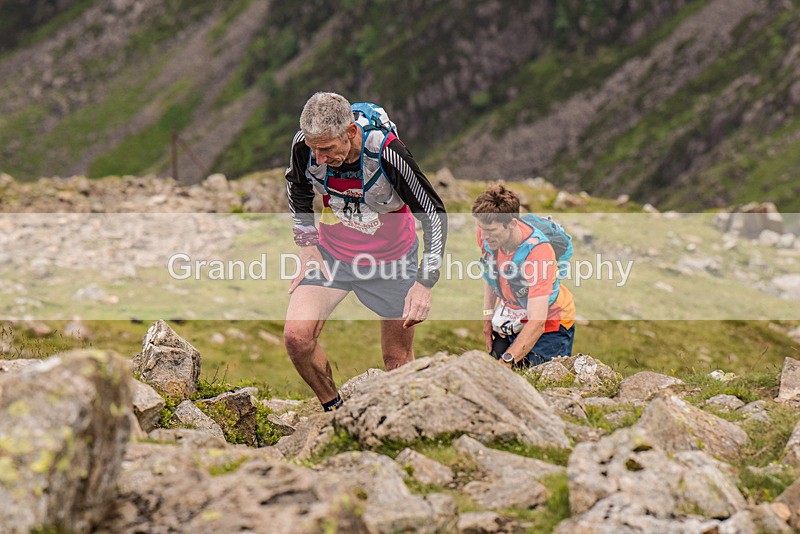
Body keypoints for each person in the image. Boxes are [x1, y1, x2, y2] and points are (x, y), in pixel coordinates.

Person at [283, 92, 447, 411]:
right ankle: (335, 411)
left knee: (396, 361)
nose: (318, 157)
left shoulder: (387, 153)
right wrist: (306, 244)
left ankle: (407, 424)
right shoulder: (306, 146)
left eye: (327, 149)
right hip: (334, 256)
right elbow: (297, 187)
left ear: (351, 132)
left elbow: (433, 213)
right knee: (297, 337)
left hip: (392, 262)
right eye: (314, 149)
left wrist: (425, 282)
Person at [472, 184, 575, 368]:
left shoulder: (538, 254)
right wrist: (487, 316)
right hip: (512, 315)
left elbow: (538, 322)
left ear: (512, 224)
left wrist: (508, 360)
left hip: (550, 323)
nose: (484, 236)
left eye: (491, 231)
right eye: (481, 228)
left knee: (536, 383)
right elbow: (491, 273)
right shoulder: (486, 233)